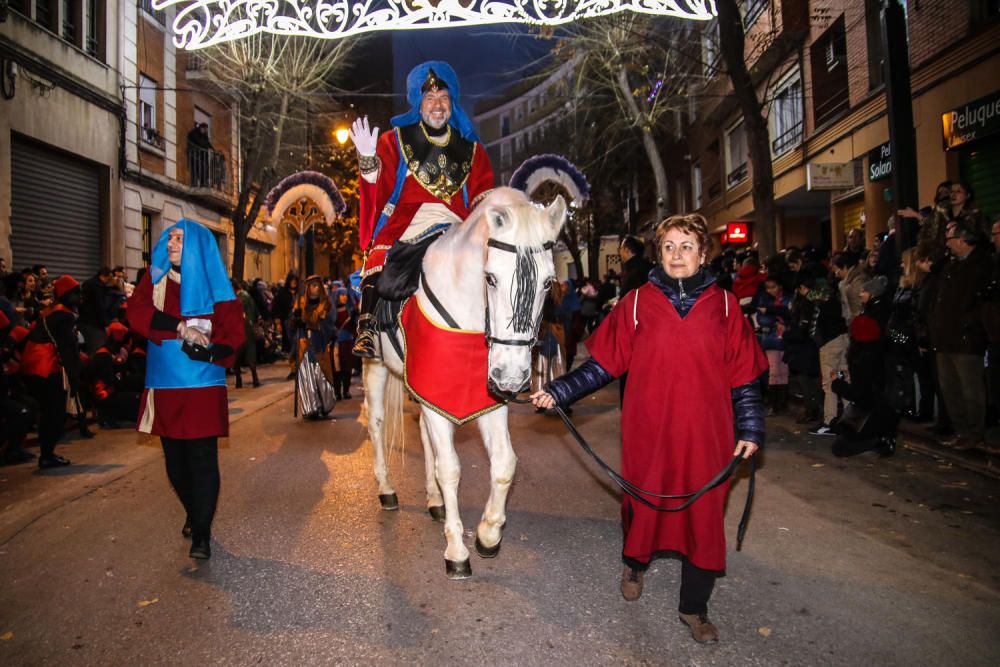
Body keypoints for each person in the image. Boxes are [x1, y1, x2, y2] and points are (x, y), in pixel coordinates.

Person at [531, 213, 766, 644]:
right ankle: (634, 563)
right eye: (669, 247)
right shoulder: (636, 303)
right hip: (649, 432)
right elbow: (603, 365)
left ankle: (694, 608)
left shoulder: (727, 306)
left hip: (708, 435)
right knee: (643, 504)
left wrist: (750, 427)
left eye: (687, 246)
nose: (677, 255)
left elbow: (745, 376)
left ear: (702, 253)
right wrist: (561, 391)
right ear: (659, 253)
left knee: (704, 515)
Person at [349, 61, 494, 358]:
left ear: (452, 101)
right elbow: (380, 185)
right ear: (418, 102)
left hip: (457, 224)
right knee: (380, 255)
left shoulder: (473, 149)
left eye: (444, 97)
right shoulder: (395, 141)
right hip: (409, 222)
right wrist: (367, 160)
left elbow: (483, 199)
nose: (437, 105)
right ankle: (368, 327)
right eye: (430, 98)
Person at [127, 219, 245, 560]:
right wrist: (179, 327)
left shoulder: (215, 285)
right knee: (175, 463)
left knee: (203, 460)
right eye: (170, 238)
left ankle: (203, 534)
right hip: (164, 386)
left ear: (197, 245)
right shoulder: (155, 281)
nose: (171, 244)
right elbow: (137, 312)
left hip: (203, 386)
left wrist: (209, 349)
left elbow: (233, 333)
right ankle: (194, 512)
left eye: (179, 239)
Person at [928, 220, 992, 450]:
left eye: (951, 239)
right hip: (944, 337)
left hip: (966, 338)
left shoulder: (982, 265)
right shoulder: (950, 267)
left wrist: (970, 325)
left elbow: (979, 303)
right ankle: (961, 430)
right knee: (950, 387)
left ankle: (975, 433)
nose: (948, 243)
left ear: (963, 241)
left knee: (970, 388)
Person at [19, 275, 86, 468]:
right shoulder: (64, 316)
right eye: (76, 293)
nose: (80, 296)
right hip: (46, 367)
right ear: (66, 295)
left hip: (34, 364)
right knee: (55, 412)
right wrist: (74, 376)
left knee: (48, 411)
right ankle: (47, 455)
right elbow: (66, 347)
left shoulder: (50, 311)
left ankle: (47, 453)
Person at [290, 275, 338, 420]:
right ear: (308, 288)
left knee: (321, 376)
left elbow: (330, 324)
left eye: (317, 286)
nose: (315, 288)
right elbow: (291, 325)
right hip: (304, 345)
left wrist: (312, 324)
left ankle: (325, 405)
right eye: (312, 286)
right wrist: (295, 320)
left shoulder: (326, 303)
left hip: (320, 345)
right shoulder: (300, 303)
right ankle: (311, 408)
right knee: (307, 377)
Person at [232, 280, 261, 389]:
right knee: (250, 353)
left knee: (238, 354)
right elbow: (255, 312)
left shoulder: (239, 298)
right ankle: (255, 379)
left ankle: (239, 380)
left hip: (240, 328)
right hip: (248, 327)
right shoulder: (247, 296)